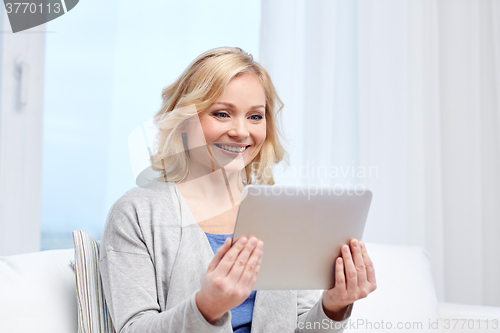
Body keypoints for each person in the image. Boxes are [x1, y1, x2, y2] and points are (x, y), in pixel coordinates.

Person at [99, 47, 377, 333]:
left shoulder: (280, 212)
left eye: (255, 117)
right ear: (183, 122)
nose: (241, 132)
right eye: (222, 114)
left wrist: (333, 306)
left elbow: (298, 325)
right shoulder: (136, 213)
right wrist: (206, 308)